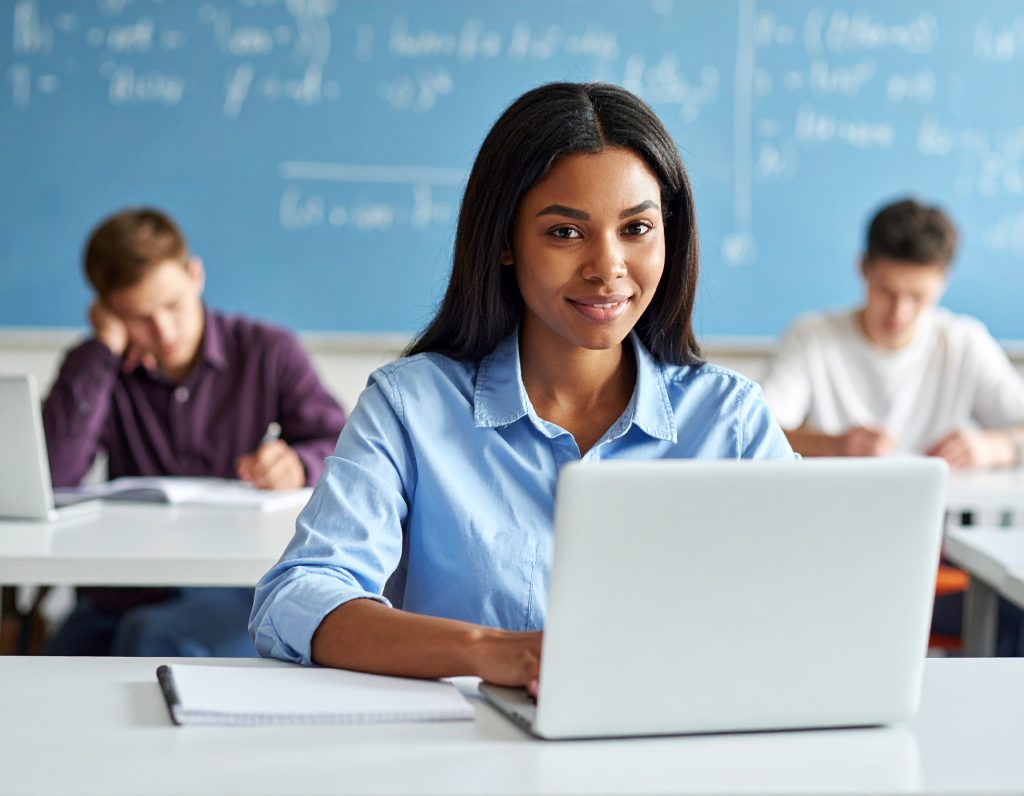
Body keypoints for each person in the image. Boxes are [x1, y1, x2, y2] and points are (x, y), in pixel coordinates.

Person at [250, 82, 796, 690]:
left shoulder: (730, 421)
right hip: (463, 741)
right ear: (505, 241)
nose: (607, 268)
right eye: (565, 232)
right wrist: (488, 652)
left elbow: (817, 601)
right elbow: (296, 598)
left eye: (637, 228)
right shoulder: (411, 407)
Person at [43, 207, 346, 656]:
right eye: (138, 317)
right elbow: (52, 476)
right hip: (125, 589)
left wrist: (298, 465)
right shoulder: (95, 368)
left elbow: (341, 447)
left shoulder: (267, 351)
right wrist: (103, 351)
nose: (164, 332)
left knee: (149, 638)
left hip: (230, 586)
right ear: (107, 312)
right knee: (54, 667)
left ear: (195, 275)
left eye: (172, 305)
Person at [761, 197, 1024, 469]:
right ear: (863, 268)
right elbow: (758, 432)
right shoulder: (810, 337)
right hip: (838, 496)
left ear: (943, 281)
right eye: (887, 292)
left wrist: (996, 447)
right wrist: (837, 445)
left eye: (918, 296)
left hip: (946, 498)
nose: (900, 313)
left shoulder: (964, 342)